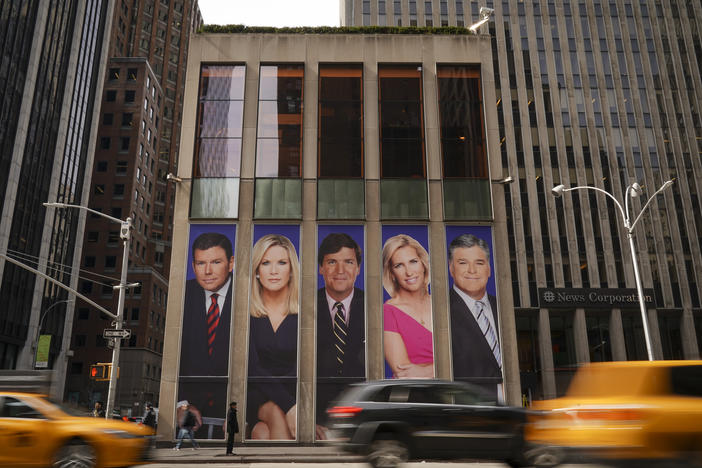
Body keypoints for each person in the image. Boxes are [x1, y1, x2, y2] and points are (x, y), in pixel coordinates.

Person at [247, 234, 300, 440]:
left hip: (293, 394)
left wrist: (291, 402)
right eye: (266, 263)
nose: (274, 271)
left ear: (291, 269)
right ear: (257, 270)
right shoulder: (247, 312)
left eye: (281, 263)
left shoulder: (304, 312)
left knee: (262, 433)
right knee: (277, 413)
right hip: (257, 394)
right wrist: (289, 406)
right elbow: (252, 367)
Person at [316, 233, 365, 439]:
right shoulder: (303, 304)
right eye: (332, 262)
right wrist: (307, 420)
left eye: (348, 262)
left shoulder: (374, 306)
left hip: (361, 422)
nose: (340, 270)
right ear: (321, 268)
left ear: (358, 268)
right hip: (316, 422)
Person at [448, 234, 502, 396]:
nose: (472, 270)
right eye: (463, 263)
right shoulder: (441, 309)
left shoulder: (500, 306)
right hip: (470, 403)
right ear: (451, 268)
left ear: (489, 269)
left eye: (479, 263)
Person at [180, 232, 234, 377]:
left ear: (231, 264)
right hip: (190, 395)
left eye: (216, 262)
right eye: (201, 263)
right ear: (193, 266)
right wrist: (182, 400)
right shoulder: (183, 293)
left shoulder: (249, 292)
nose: (207, 271)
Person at [382, 234, 434, 379]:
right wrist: (449, 368)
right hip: (415, 398)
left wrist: (425, 371)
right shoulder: (388, 312)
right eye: (399, 265)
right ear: (392, 273)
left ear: (423, 264)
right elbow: (403, 373)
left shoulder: (444, 305)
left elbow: (471, 359)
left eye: (413, 262)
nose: (409, 272)